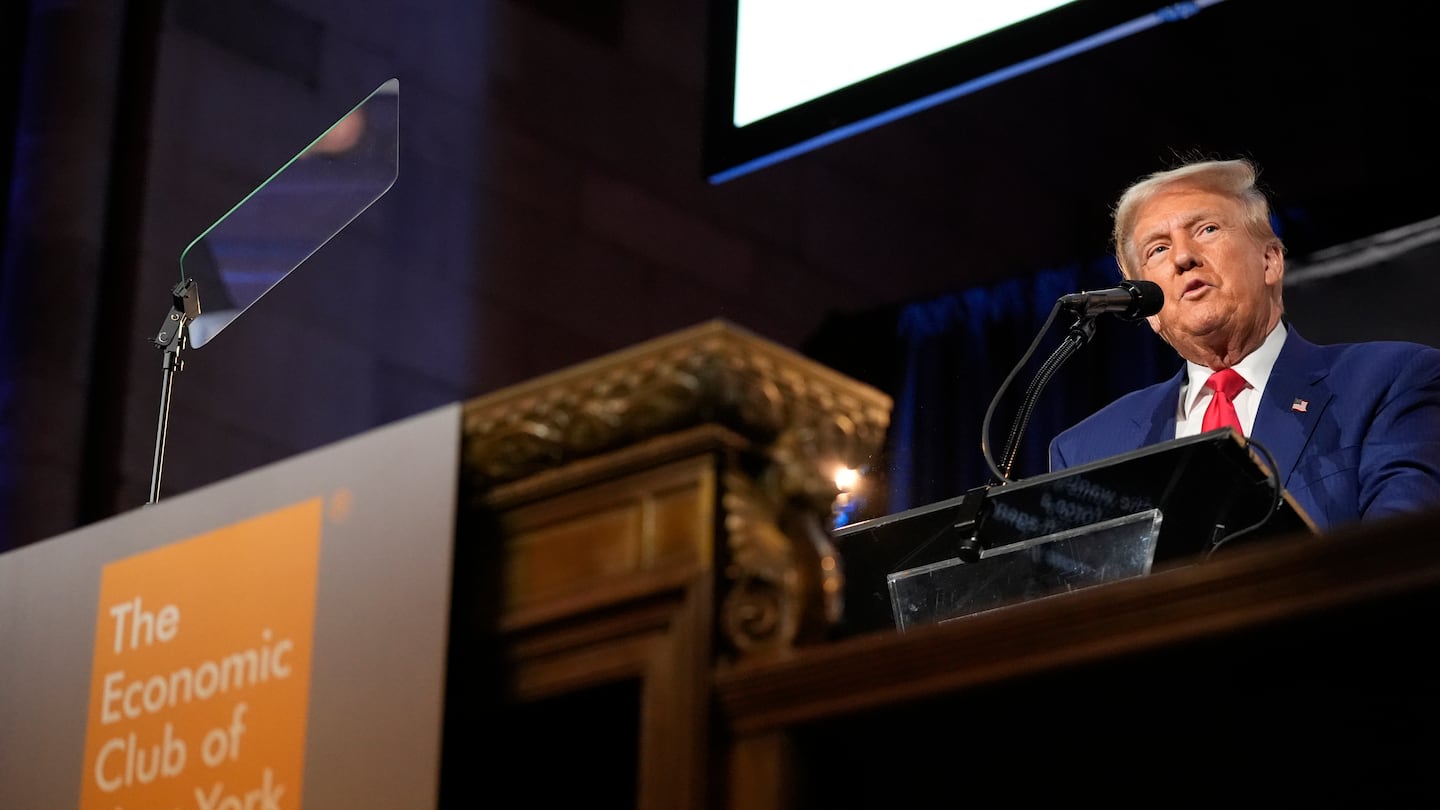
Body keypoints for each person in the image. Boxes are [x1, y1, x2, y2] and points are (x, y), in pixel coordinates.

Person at [1048, 157, 1440, 532]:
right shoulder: (1087, 452)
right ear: (1148, 309)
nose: (1183, 257)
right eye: (1158, 249)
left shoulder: (1390, 381)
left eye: (1207, 230)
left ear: (1270, 260)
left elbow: (1398, 556)